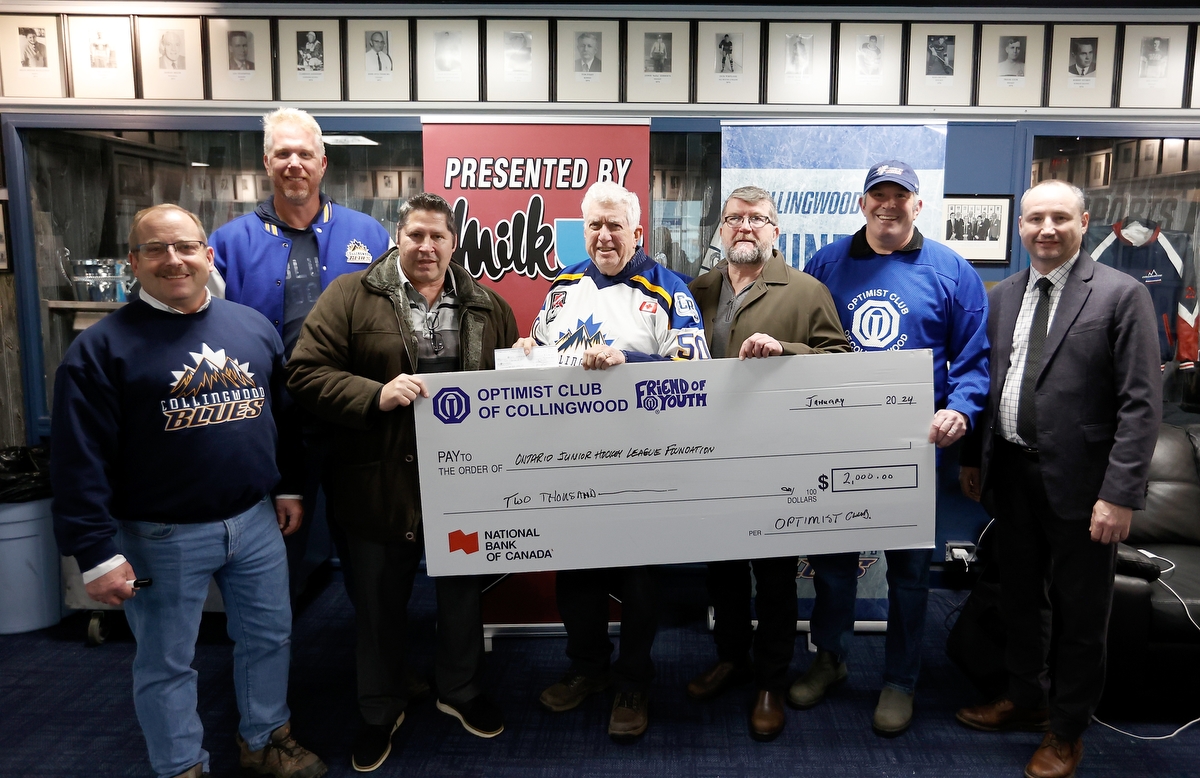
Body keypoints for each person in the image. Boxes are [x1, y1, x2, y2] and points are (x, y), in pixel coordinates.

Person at [49, 204, 325, 778]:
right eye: (156, 249)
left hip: (254, 524)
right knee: (167, 661)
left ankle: (265, 740)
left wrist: (290, 486)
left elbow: (283, 419)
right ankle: (181, 766)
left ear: (208, 254)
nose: (173, 259)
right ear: (133, 262)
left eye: (185, 247)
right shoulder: (100, 351)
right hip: (160, 534)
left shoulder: (251, 326)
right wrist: (95, 553)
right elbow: (78, 460)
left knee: (269, 637)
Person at [286, 192, 517, 771]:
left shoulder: (488, 305)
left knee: (462, 594)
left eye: (438, 236)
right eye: (415, 235)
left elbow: (516, 387)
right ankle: (378, 708)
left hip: (464, 483)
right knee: (377, 599)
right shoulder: (350, 295)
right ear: (398, 236)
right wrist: (374, 394)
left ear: (453, 242)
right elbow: (305, 372)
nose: (426, 247)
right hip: (376, 482)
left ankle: (459, 690)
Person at [956, 180, 1161, 778]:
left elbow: (1141, 405)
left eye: (1060, 219)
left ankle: (1067, 730)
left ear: (1084, 222)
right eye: (1035, 219)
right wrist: (974, 457)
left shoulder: (1121, 296)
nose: (1047, 229)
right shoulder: (1002, 295)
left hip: (1085, 486)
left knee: (1081, 613)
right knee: (1018, 600)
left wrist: (1119, 494)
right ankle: (1025, 700)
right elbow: (988, 385)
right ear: (1020, 227)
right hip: (1013, 475)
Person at [798, 160, 989, 737]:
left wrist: (961, 407)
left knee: (909, 573)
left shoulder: (952, 271)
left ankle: (899, 680)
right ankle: (828, 661)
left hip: (913, 450)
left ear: (917, 204)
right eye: (877, 195)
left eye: (899, 196)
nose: (888, 205)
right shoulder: (827, 264)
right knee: (832, 568)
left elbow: (975, 362)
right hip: (837, 444)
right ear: (862, 204)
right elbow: (803, 344)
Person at [516, 181, 709, 742]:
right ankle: (588, 668)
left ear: (636, 231)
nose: (603, 236)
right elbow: (542, 347)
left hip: (643, 461)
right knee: (576, 572)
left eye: (614, 226)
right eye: (594, 226)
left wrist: (632, 360)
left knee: (638, 577)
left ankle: (633, 680)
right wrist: (530, 352)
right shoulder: (564, 286)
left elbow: (697, 365)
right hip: (574, 459)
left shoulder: (668, 287)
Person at [685, 186, 850, 741]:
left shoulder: (806, 291)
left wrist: (787, 352)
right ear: (722, 229)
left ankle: (770, 682)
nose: (745, 227)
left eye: (758, 219)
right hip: (711, 460)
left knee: (775, 580)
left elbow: (840, 360)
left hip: (778, 464)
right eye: (734, 219)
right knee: (723, 573)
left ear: (776, 231)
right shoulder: (697, 290)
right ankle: (731, 657)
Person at [210, 107, 392, 597]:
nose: (295, 163)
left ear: (323, 163)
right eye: (283, 153)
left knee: (366, 552)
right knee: (273, 563)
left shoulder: (370, 235)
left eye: (305, 153)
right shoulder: (227, 244)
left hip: (354, 418)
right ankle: (277, 668)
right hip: (268, 423)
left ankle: (374, 663)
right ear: (267, 163)